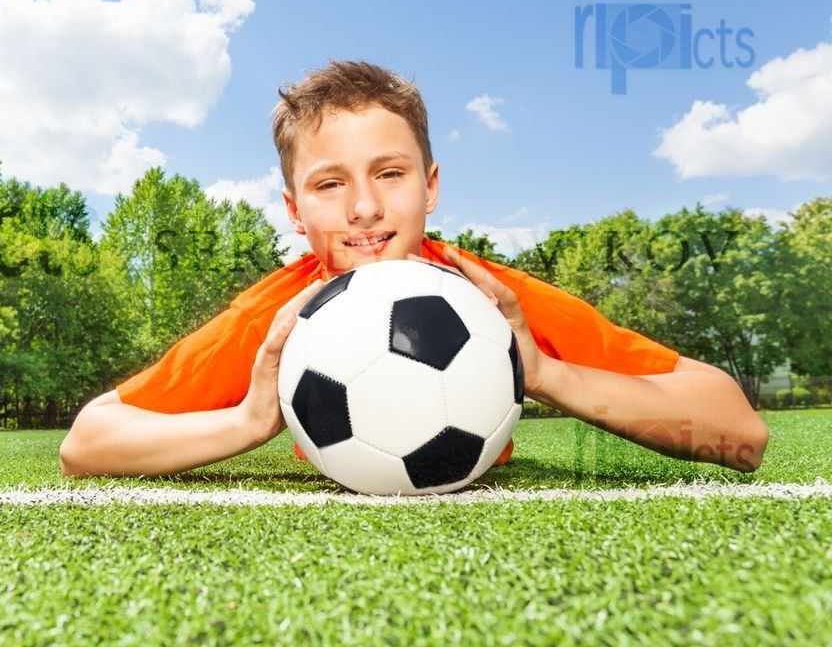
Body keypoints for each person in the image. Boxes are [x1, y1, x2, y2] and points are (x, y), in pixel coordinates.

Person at [59, 60, 770, 479]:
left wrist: (549, 374)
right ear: (294, 208)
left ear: (430, 187)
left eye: (389, 173)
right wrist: (247, 422)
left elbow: (740, 432)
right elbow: (87, 442)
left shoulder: (490, 298)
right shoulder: (277, 317)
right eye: (329, 184)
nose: (364, 207)